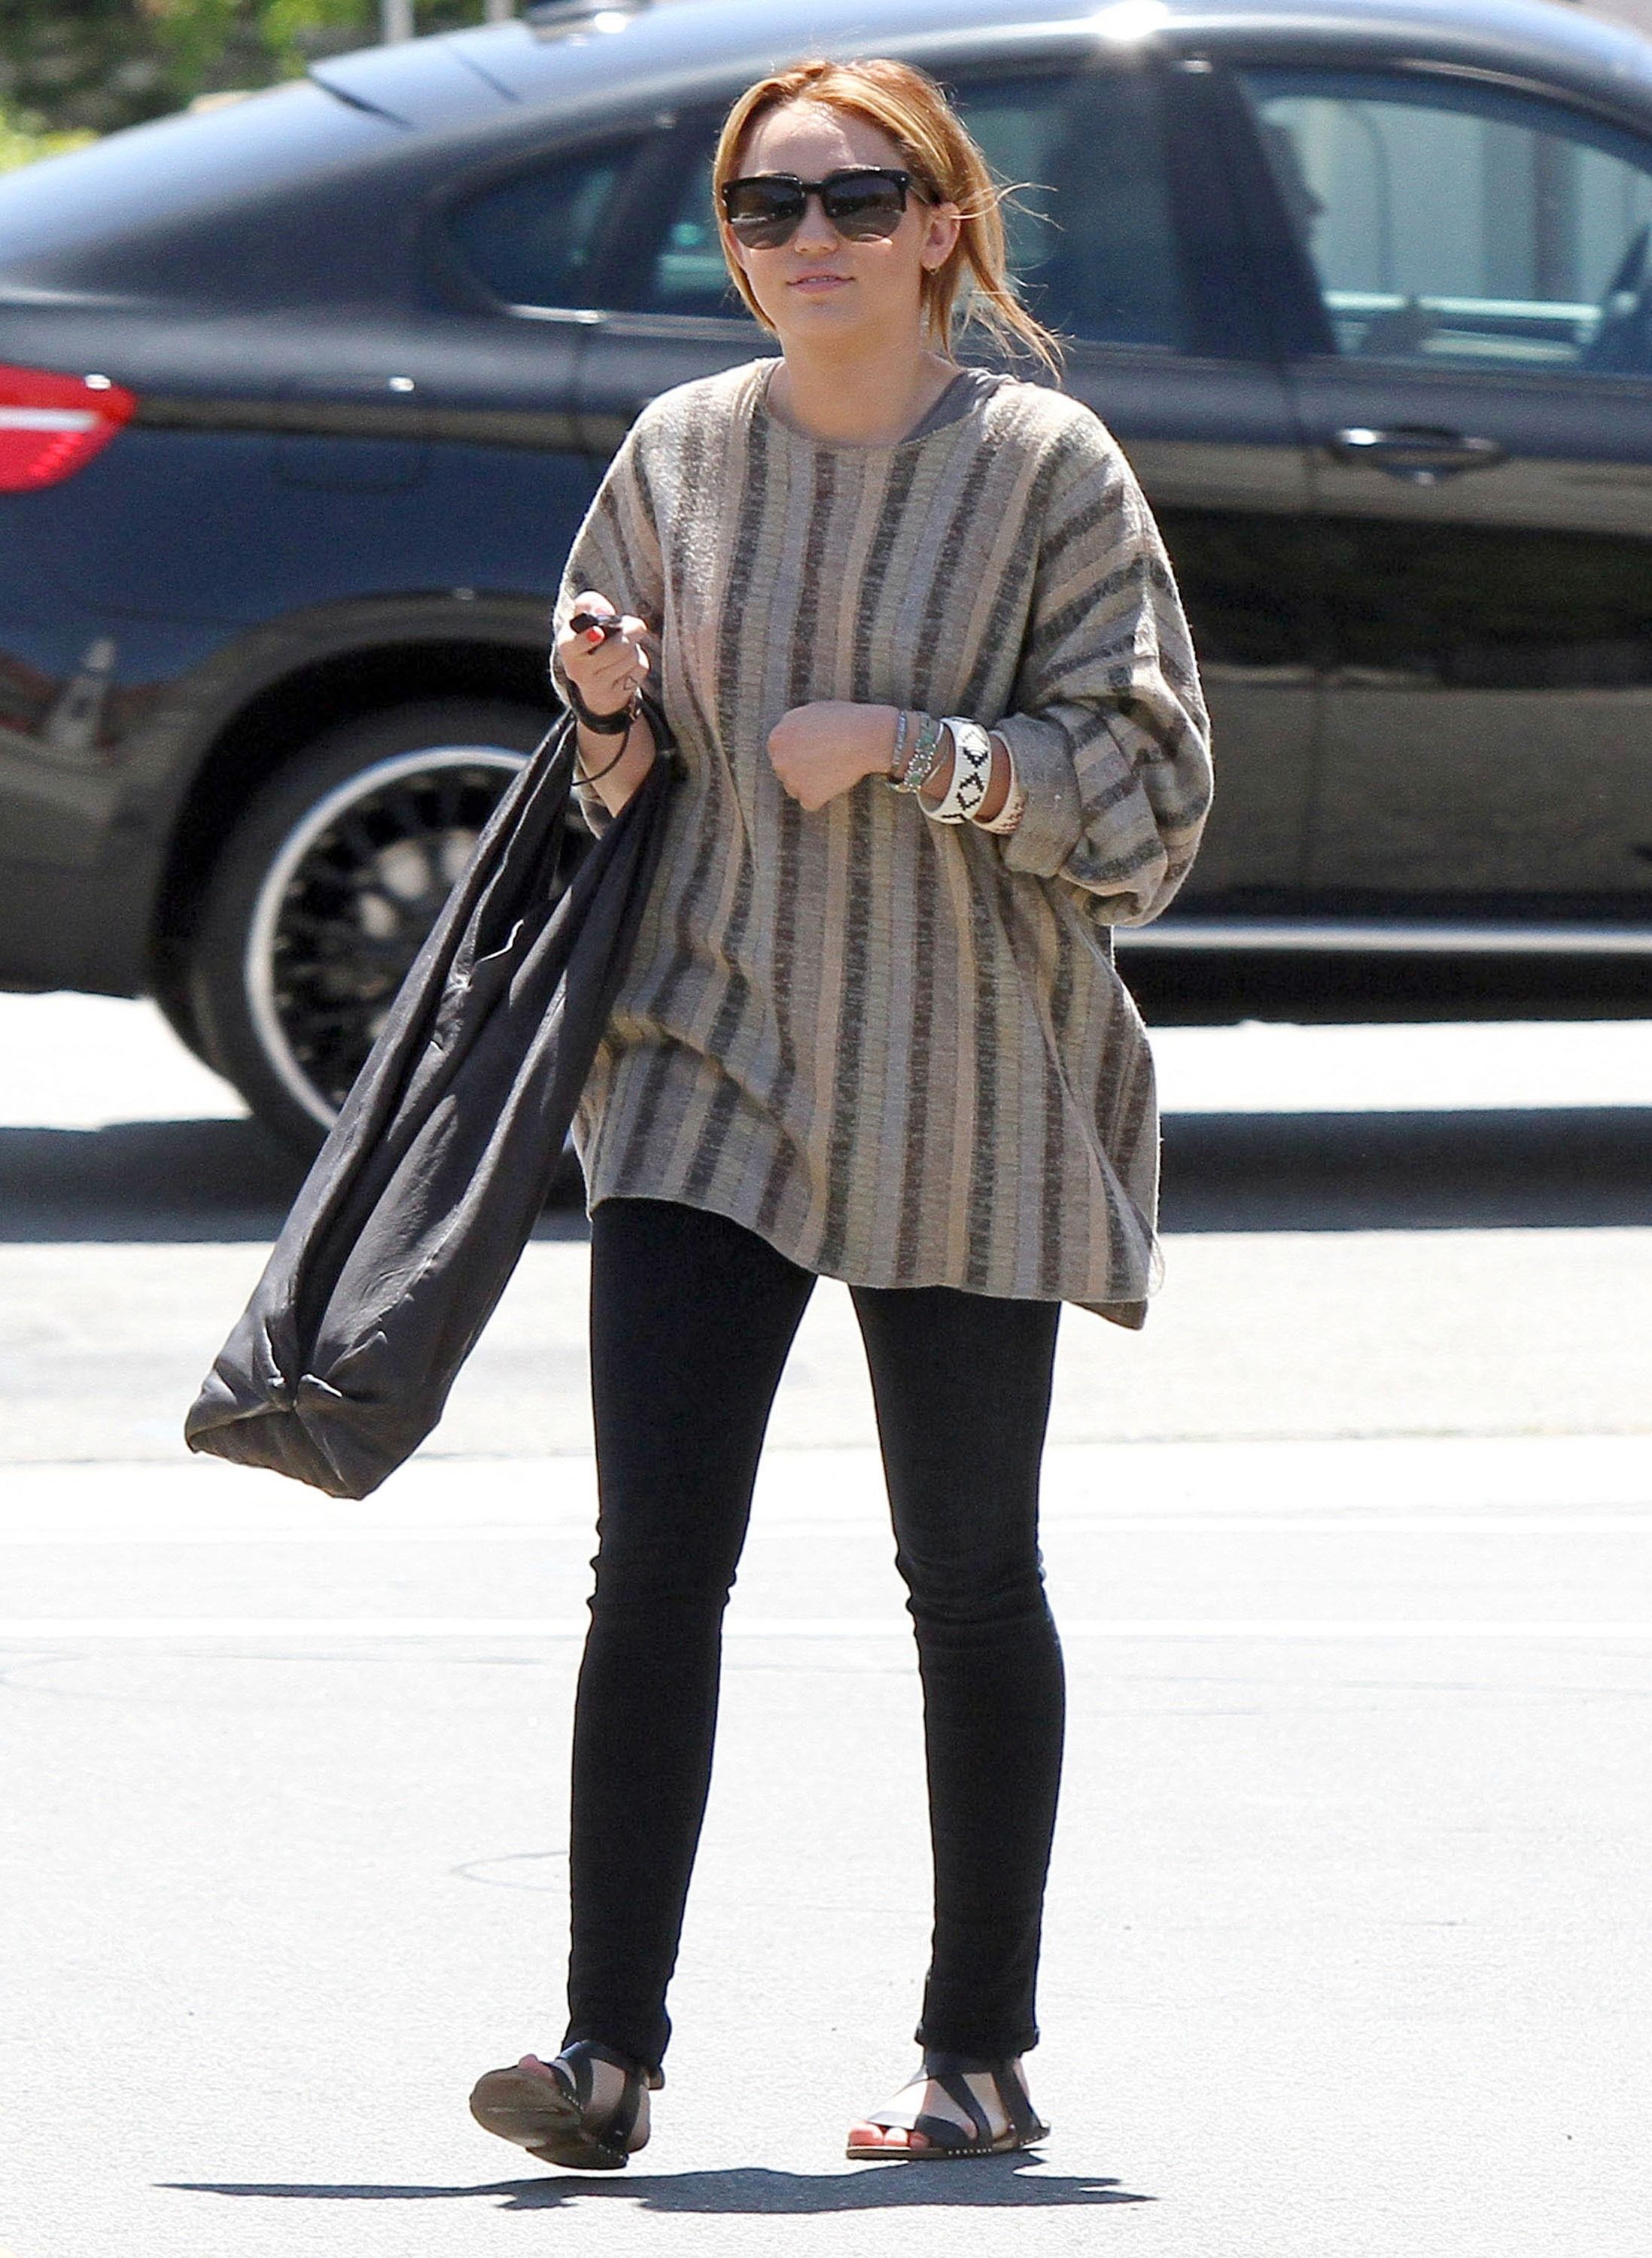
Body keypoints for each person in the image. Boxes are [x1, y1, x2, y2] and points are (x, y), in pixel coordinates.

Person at [467, 53, 1212, 2171]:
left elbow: (1149, 796)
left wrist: (913, 744)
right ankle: (603, 2055)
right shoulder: (678, 450)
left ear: (941, 226)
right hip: (700, 1069)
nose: (809, 239)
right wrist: (605, 708)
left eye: (856, 199)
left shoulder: (1046, 465)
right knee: (651, 1567)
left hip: (963, 1083)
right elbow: (617, 793)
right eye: (765, 206)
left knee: (965, 1575)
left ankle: (976, 2054)